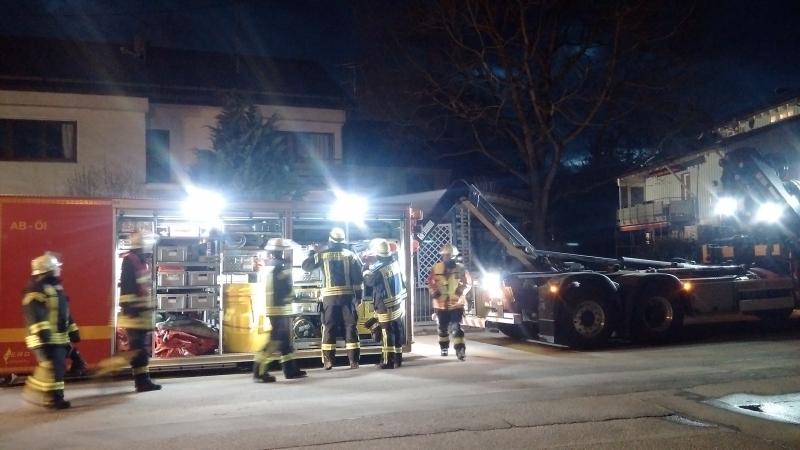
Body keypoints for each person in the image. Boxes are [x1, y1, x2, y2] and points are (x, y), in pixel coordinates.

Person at [21, 251, 80, 409]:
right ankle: (43, 394)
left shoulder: (55, 287)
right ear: (49, 269)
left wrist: (73, 330)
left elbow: (64, 312)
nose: (59, 269)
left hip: (56, 337)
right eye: (56, 267)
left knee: (57, 368)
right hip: (43, 337)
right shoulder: (36, 288)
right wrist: (43, 332)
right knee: (51, 367)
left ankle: (55, 398)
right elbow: (34, 312)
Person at [301, 227, 364, 370]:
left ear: (330, 239)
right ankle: (353, 361)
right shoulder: (350, 255)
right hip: (347, 297)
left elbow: (305, 266)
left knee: (329, 327)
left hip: (329, 298)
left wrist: (312, 251)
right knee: (350, 327)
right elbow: (358, 279)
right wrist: (359, 296)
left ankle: (328, 361)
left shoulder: (323, 255)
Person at [252, 238, 308, 382]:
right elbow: (286, 288)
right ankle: (259, 371)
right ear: (282, 251)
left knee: (284, 342)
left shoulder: (270, 264)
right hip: (279, 308)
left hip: (273, 307)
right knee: (275, 340)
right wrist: (296, 296)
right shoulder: (281, 266)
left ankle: (291, 370)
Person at [116, 231, 162, 392]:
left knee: (140, 349)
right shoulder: (130, 261)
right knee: (138, 350)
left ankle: (143, 379)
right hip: (134, 314)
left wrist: (150, 305)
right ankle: (142, 381)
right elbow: (127, 288)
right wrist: (131, 311)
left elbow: (142, 288)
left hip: (140, 314)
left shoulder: (139, 261)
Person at [364, 240, 407, 369]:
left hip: (385, 305)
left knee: (386, 333)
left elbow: (370, 281)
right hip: (397, 303)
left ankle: (388, 361)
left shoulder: (380, 269)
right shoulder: (394, 262)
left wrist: (365, 268)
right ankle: (398, 359)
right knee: (397, 330)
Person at [428, 243, 472, 361]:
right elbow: (431, 282)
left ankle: (460, 350)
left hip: (456, 304)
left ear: (453, 256)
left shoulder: (461, 269)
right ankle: (444, 347)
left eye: (449, 255)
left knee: (456, 327)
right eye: (445, 255)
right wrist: (435, 292)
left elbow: (467, 283)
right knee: (442, 328)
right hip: (441, 304)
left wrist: (460, 291)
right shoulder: (436, 268)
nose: (446, 257)